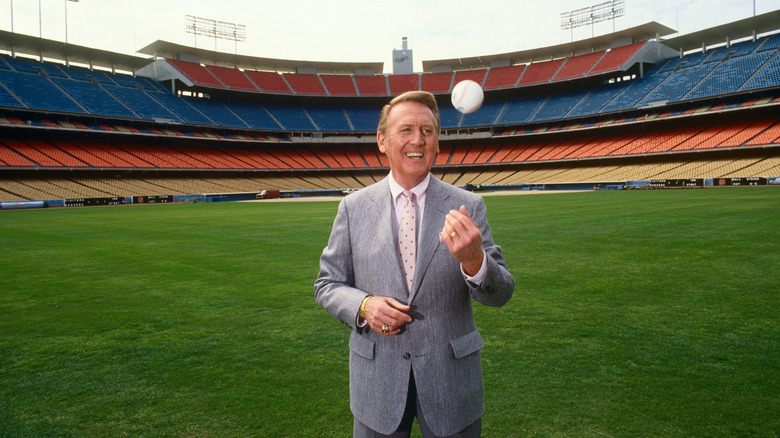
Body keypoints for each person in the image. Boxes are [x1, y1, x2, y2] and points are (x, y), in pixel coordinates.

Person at [315, 91, 514, 438]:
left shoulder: (469, 206)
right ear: (382, 140)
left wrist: (475, 262)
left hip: (451, 383)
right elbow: (327, 284)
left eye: (427, 131)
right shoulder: (353, 208)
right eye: (405, 129)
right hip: (377, 385)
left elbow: (501, 294)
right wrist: (364, 305)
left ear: (437, 143)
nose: (417, 140)